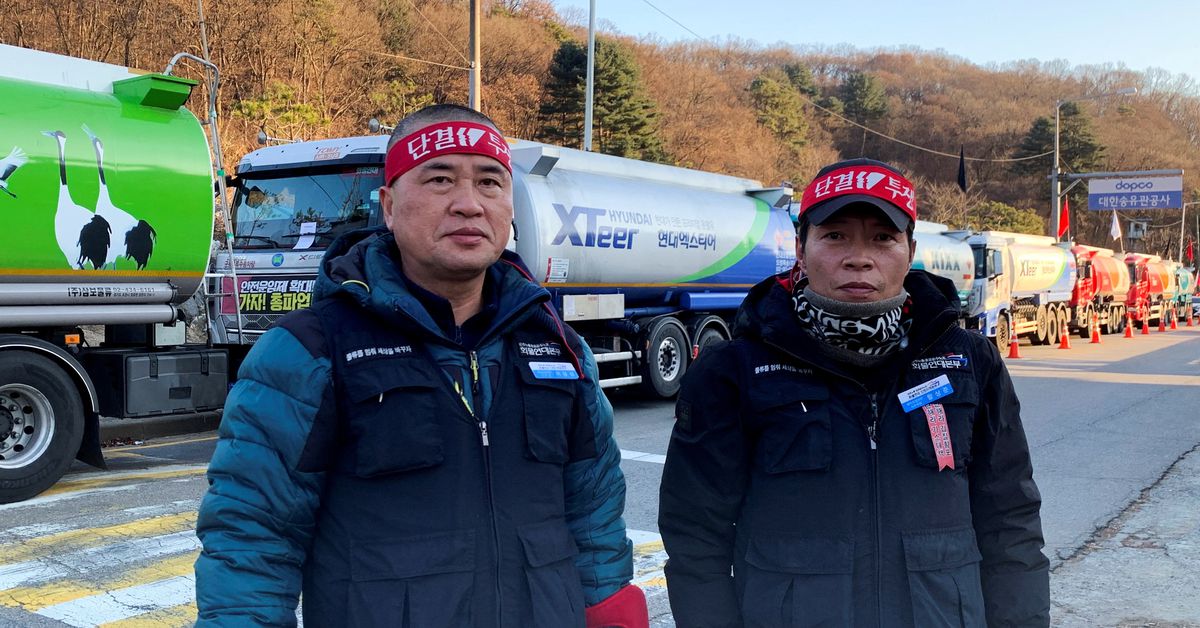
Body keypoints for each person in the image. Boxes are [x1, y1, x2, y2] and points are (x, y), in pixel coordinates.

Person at [196, 104, 648, 628]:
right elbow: (251, 537)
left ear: (511, 207)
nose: (468, 205)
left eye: (489, 182)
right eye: (439, 179)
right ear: (388, 205)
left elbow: (593, 517)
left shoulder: (561, 349)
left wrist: (612, 615)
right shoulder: (307, 351)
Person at [658, 158, 1050, 627]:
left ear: (910, 249)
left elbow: (1011, 520)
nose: (859, 257)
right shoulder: (734, 369)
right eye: (835, 235)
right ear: (801, 248)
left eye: (883, 238)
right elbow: (695, 538)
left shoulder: (969, 361)